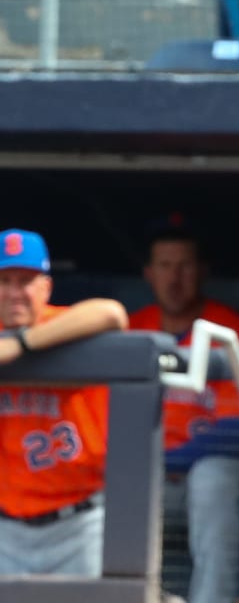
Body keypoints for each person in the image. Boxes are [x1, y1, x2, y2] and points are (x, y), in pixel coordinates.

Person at [128, 225, 239, 603]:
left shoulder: (233, 333)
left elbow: (235, 434)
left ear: (203, 271)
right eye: (165, 265)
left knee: (210, 477)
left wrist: (154, 461)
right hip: (161, 486)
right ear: (149, 273)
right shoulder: (132, 330)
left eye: (185, 266)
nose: (174, 279)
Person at [0, 229, 129, 577]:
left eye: (25, 281)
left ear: (46, 287)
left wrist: (22, 344)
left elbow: (112, 313)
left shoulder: (65, 324)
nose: (14, 292)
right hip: (5, 530)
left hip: (78, 523)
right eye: (5, 280)